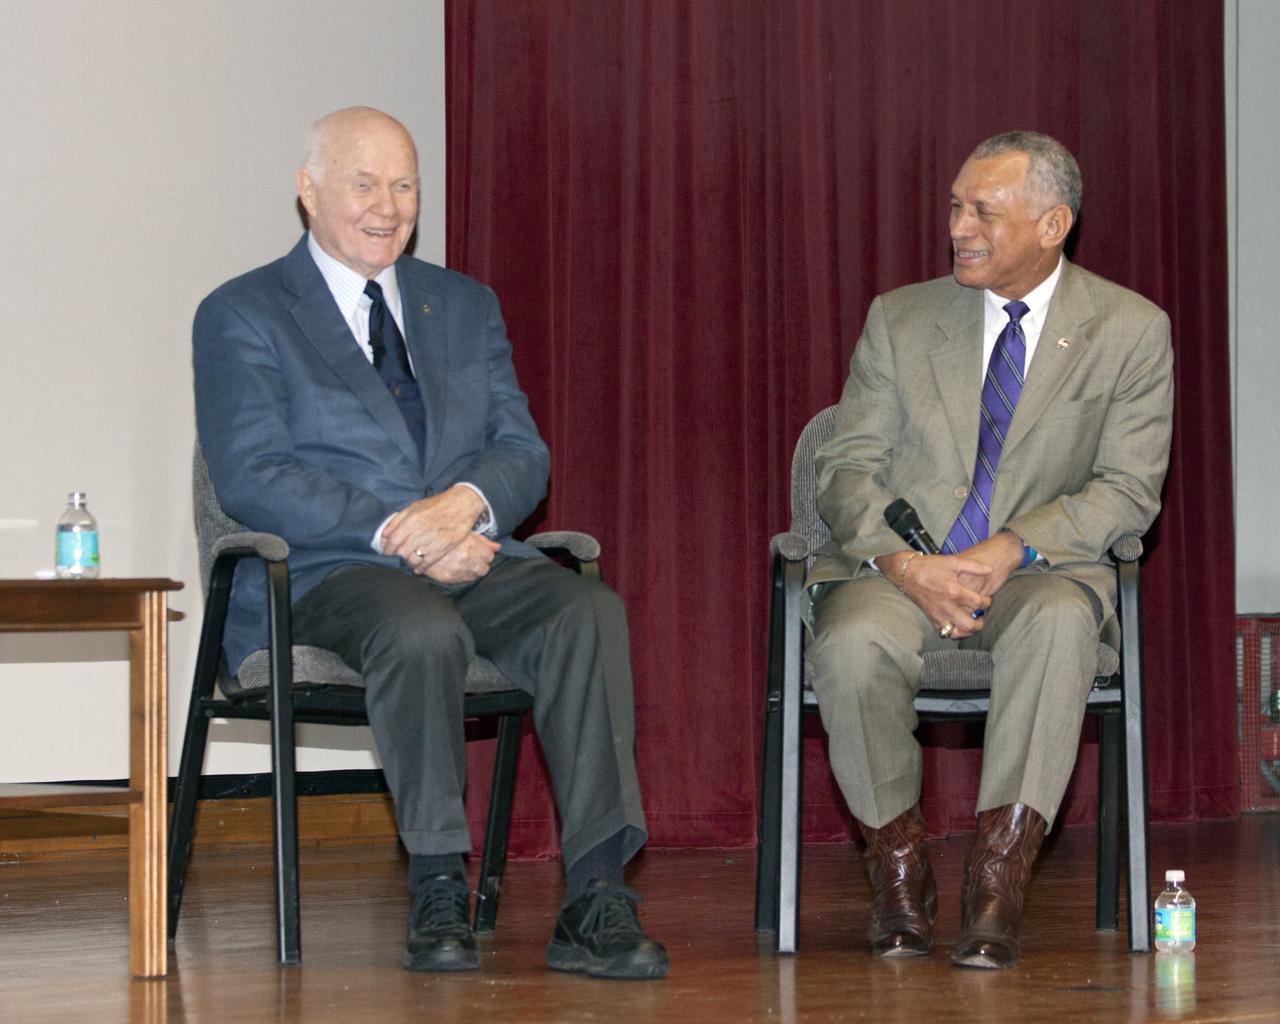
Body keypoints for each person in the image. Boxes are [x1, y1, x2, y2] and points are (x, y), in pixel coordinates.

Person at [192, 106, 667, 980]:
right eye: (363, 183)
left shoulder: (463, 304)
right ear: (308, 191)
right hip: (326, 571)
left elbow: (522, 450)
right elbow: (254, 473)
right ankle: (438, 882)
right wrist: (400, 533)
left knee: (585, 613)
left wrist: (467, 506)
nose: (388, 205)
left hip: (472, 555)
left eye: (404, 184)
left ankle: (595, 893)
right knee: (419, 626)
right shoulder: (242, 312)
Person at [806, 131, 1173, 969]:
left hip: (1041, 572)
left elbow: (1127, 491)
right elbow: (845, 465)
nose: (958, 228)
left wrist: (1014, 546)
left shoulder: (1129, 330)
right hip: (901, 570)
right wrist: (908, 565)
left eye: (983, 212)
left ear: (1053, 225)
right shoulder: (901, 318)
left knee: (1057, 627)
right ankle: (899, 872)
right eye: (954, 207)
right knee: (852, 640)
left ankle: (997, 879)